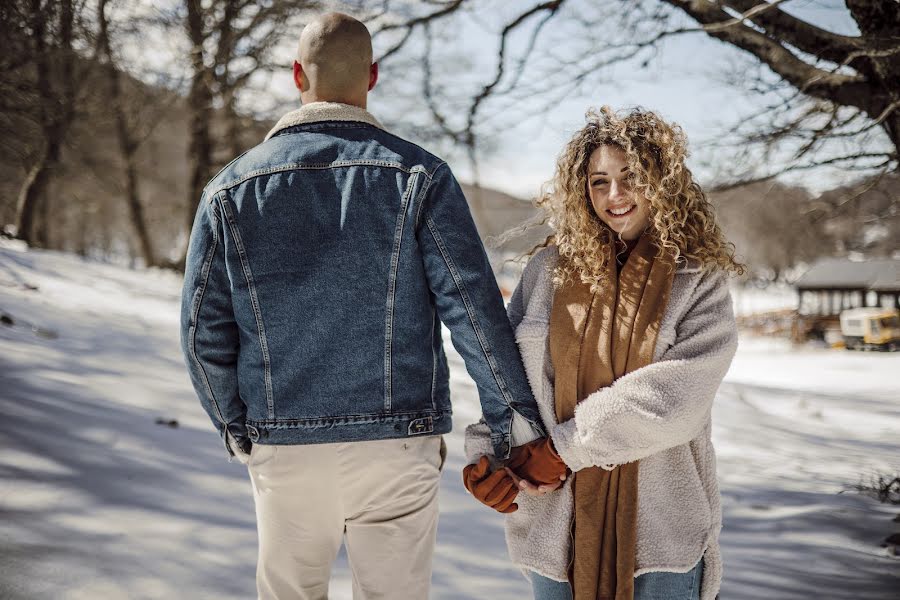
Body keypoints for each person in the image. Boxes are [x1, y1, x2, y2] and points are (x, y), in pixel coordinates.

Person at [179, 12, 563, 600]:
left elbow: (203, 334)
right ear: (373, 75)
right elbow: (473, 311)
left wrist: (240, 431)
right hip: (396, 445)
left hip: (284, 446)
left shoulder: (228, 190)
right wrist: (516, 426)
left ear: (295, 74)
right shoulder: (421, 176)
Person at [464, 106, 743, 600]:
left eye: (630, 176)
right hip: (555, 532)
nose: (614, 196)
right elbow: (511, 378)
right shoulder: (546, 272)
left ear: (661, 180)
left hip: (660, 537)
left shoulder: (697, 279)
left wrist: (561, 450)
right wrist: (489, 455)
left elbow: (673, 401)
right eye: (598, 181)